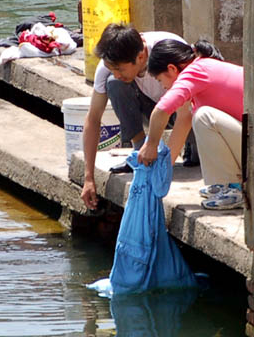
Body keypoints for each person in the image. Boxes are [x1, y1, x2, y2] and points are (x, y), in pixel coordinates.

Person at [81, 23, 193, 211]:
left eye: (121, 69)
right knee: (114, 84)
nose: (116, 73)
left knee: (196, 155)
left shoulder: (169, 49)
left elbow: (186, 116)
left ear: (140, 57)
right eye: (112, 68)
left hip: (186, 109)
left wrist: (164, 167)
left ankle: (191, 147)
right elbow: (93, 120)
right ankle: (139, 148)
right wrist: (88, 177)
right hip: (151, 107)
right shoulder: (110, 66)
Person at [137, 39, 244, 210]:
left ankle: (234, 189)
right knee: (201, 117)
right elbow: (183, 122)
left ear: (172, 69)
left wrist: (151, 145)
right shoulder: (202, 69)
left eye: (160, 80)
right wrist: (162, 172)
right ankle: (225, 184)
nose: (163, 87)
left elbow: (161, 111)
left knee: (204, 118)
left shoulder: (195, 71)